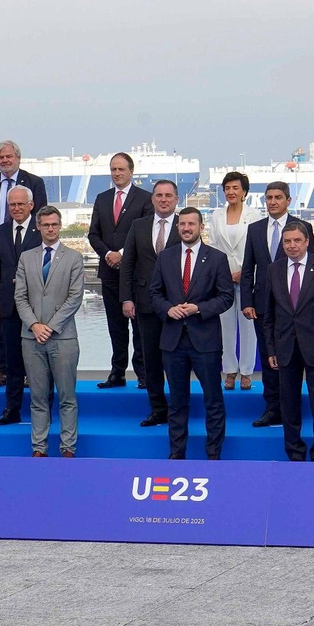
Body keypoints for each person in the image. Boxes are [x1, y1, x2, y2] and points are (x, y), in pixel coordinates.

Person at [149, 208, 235, 460]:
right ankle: (177, 454)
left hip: (205, 340)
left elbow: (226, 297)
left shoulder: (217, 258)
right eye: (182, 224)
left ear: (201, 227)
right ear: (177, 228)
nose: (187, 228)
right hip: (173, 341)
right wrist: (168, 309)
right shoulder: (165, 257)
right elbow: (154, 294)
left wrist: (199, 308)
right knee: (176, 401)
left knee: (213, 399)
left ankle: (213, 454)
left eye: (191, 224)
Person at [259, 221, 314, 461]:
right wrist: (271, 349)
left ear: (307, 241)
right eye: (287, 241)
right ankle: (294, 451)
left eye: (297, 240)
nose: (292, 246)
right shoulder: (273, 270)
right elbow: (269, 314)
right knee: (289, 404)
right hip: (285, 348)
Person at [241, 181, 314, 428]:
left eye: (278, 197)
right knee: (268, 357)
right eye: (269, 197)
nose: (272, 202)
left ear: (288, 201)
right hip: (262, 306)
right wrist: (247, 301)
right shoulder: (254, 229)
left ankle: (294, 407)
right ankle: (272, 408)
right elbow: (247, 268)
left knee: (294, 358)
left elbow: (313, 269)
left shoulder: (302, 228)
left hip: (294, 307)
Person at [0, 140, 49, 388]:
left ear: (18, 157)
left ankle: (31, 371)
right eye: (0, 157)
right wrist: (0, 245)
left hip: (32, 262)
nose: (5, 160)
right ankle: (2, 370)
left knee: (32, 317)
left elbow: (42, 220)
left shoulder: (34, 183)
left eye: (9, 156)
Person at [15, 206, 86, 458]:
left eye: (54, 224)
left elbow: (75, 298)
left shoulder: (74, 258)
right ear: (38, 227)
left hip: (63, 338)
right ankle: (39, 448)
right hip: (31, 338)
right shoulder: (26, 257)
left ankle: (68, 447)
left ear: (60, 225)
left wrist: (51, 326)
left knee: (67, 396)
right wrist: (34, 325)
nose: (50, 229)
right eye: (46, 225)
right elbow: (20, 297)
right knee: (38, 398)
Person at [87, 152, 152, 390]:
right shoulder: (102, 199)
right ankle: (117, 372)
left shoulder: (145, 198)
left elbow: (145, 233)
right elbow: (93, 234)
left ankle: (143, 373)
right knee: (115, 326)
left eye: (121, 169)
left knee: (139, 326)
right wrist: (108, 254)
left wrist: (122, 254)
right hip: (109, 272)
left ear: (131, 171)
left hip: (136, 273)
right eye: (113, 169)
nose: (117, 174)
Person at [120, 181, 182, 428]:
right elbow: (128, 265)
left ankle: (178, 407)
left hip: (177, 306)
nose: (163, 199)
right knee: (151, 360)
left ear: (176, 199)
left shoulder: (185, 224)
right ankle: (157, 409)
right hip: (145, 304)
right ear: (153, 199)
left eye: (168, 196)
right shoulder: (138, 226)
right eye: (159, 195)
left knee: (176, 360)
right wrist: (127, 298)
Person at [0, 185, 39, 426]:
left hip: (37, 307)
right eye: (12, 205)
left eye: (20, 204)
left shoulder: (41, 231)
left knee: (39, 362)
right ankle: (12, 409)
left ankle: (42, 409)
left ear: (31, 205)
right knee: (12, 362)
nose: (16, 208)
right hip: (7, 307)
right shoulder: (0, 232)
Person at [207, 171, 262, 391]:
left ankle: (247, 372)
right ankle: (229, 371)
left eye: (235, 188)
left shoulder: (254, 214)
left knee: (248, 327)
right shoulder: (216, 215)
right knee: (225, 327)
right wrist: (222, 274)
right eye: (227, 188)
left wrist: (243, 272)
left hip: (248, 279)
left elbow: (258, 247)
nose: (231, 192)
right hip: (222, 280)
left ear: (244, 192)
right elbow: (212, 246)